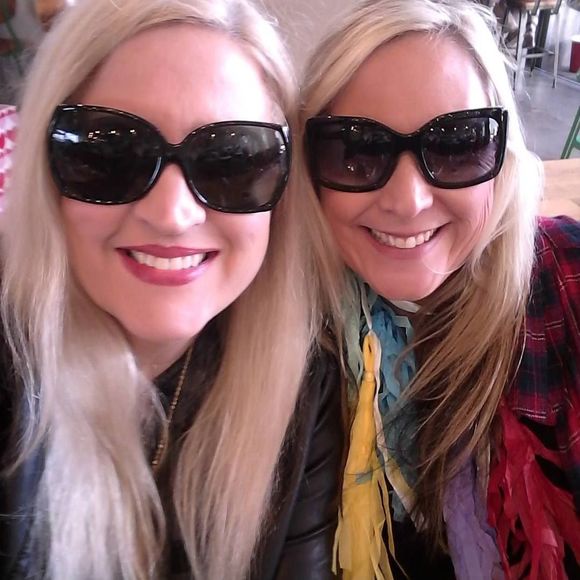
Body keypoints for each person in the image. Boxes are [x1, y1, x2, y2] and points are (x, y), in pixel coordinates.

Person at [0, 0, 346, 578]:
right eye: (110, 153)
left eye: (231, 161)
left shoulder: (302, 382)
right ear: (45, 170)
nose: (171, 214)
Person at [301, 0, 580, 578]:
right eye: (358, 150)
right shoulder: (282, 343)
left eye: (456, 144)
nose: (408, 202)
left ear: (503, 159)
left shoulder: (566, 284)